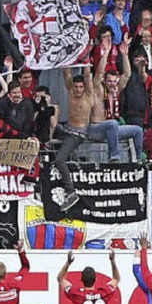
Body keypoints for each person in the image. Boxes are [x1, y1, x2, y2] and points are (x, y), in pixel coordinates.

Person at [55, 69, 94, 211]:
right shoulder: (71, 92)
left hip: (77, 134)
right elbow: (66, 72)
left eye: (80, 87)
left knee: (59, 160)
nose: (78, 89)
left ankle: (70, 192)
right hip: (66, 129)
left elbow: (88, 75)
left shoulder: (89, 95)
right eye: (76, 86)